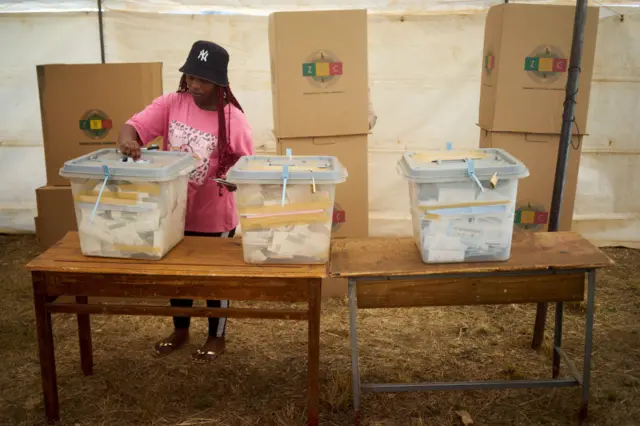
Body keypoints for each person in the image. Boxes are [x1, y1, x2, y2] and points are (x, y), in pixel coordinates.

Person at [118, 40, 254, 362]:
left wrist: (235, 178)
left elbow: (247, 165)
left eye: (202, 80)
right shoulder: (171, 104)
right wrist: (127, 140)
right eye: (190, 76)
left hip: (213, 216)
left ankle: (215, 336)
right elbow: (134, 127)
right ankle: (180, 331)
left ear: (220, 82)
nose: (194, 84)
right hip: (174, 211)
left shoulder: (233, 119)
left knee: (212, 282)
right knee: (176, 279)